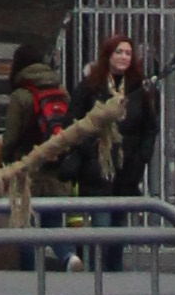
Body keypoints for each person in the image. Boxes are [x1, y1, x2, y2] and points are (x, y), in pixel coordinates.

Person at [57, 29, 159, 199]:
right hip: (94, 172)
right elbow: (72, 122)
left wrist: (142, 158)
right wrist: (89, 152)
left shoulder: (139, 89)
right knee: (100, 214)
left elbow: (150, 126)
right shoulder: (90, 86)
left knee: (122, 214)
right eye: (118, 52)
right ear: (108, 55)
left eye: (128, 53)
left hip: (128, 173)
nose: (123, 57)